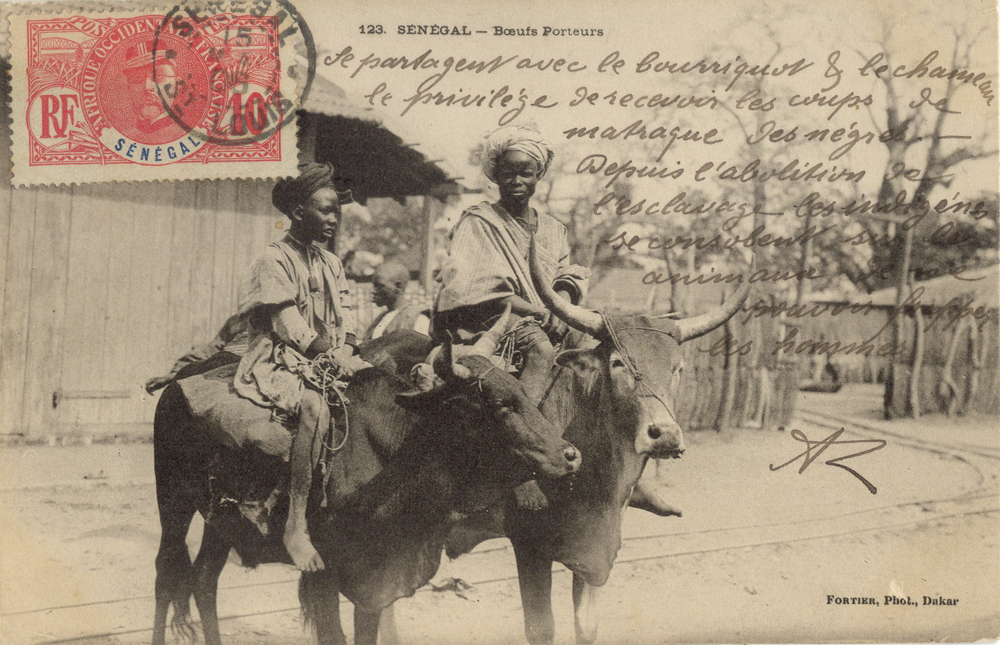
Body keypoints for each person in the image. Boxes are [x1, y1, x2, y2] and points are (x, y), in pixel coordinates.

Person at [177, 162, 364, 571]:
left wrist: (348, 346)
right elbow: (285, 322)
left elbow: (349, 309)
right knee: (313, 408)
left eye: (336, 211)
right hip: (281, 359)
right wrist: (324, 352)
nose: (333, 219)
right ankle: (295, 525)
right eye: (325, 210)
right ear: (298, 212)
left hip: (332, 357)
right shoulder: (273, 259)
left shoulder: (331, 263)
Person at [433, 126, 590, 510]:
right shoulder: (478, 221)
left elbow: (567, 274)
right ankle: (515, 463)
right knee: (539, 350)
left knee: (594, 353)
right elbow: (471, 285)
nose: (517, 181)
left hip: (548, 317)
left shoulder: (553, 229)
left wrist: (563, 304)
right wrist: (536, 311)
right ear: (496, 176)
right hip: (492, 321)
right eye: (508, 173)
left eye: (526, 172)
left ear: (539, 176)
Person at [364, 260, 431, 340]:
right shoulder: (379, 319)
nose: (373, 291)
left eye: (379, 286)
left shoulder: (418, 319)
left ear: (398, 287)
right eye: (374, 285)